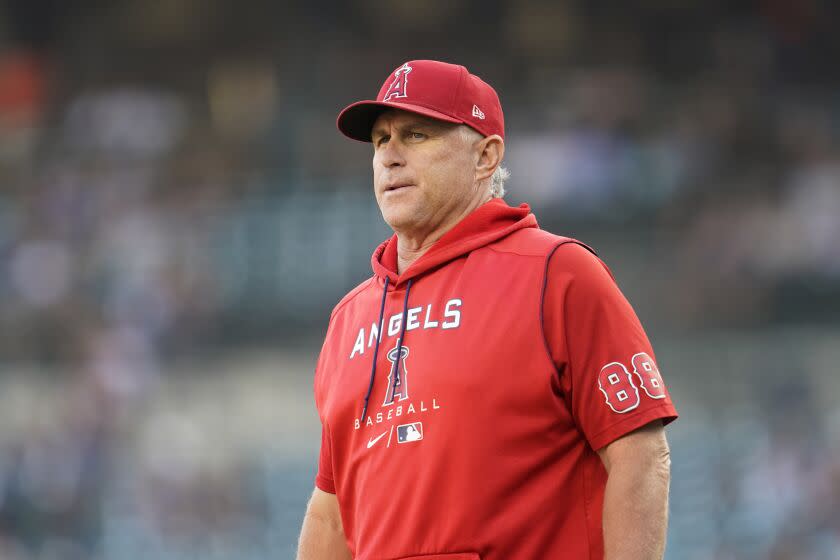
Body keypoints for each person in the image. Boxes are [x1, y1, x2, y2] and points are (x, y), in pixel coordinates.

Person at [297, 60, 678, 560]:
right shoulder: (349, 319)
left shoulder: (558, 272)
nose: (390, 156)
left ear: (485, 156)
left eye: (416, 135)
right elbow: (330, 514)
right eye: (380, 140)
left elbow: (640, 456)